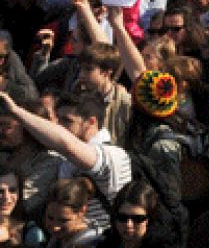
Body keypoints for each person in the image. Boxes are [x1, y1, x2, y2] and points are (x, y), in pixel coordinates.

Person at [0, 92, 130, 240]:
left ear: (91, 122)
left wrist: (15, 110)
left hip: (98, 240)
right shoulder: (67, 161)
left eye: (67, 121)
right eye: (58, 119)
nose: (59, 127)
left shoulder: (111, 155)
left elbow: (67, 144)